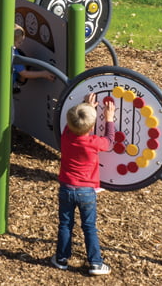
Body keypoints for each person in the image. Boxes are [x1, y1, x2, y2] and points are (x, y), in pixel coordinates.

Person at [52, 92, 116, 276]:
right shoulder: (93, 142)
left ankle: (62, 259)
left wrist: (86, 107)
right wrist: (109, 119)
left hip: (66, 188)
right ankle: (95, 263)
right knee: (89, 227)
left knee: (65, 224)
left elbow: (74, 122)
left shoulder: (66, 136)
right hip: (87, 192)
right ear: (92, 125)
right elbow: (109, 142)